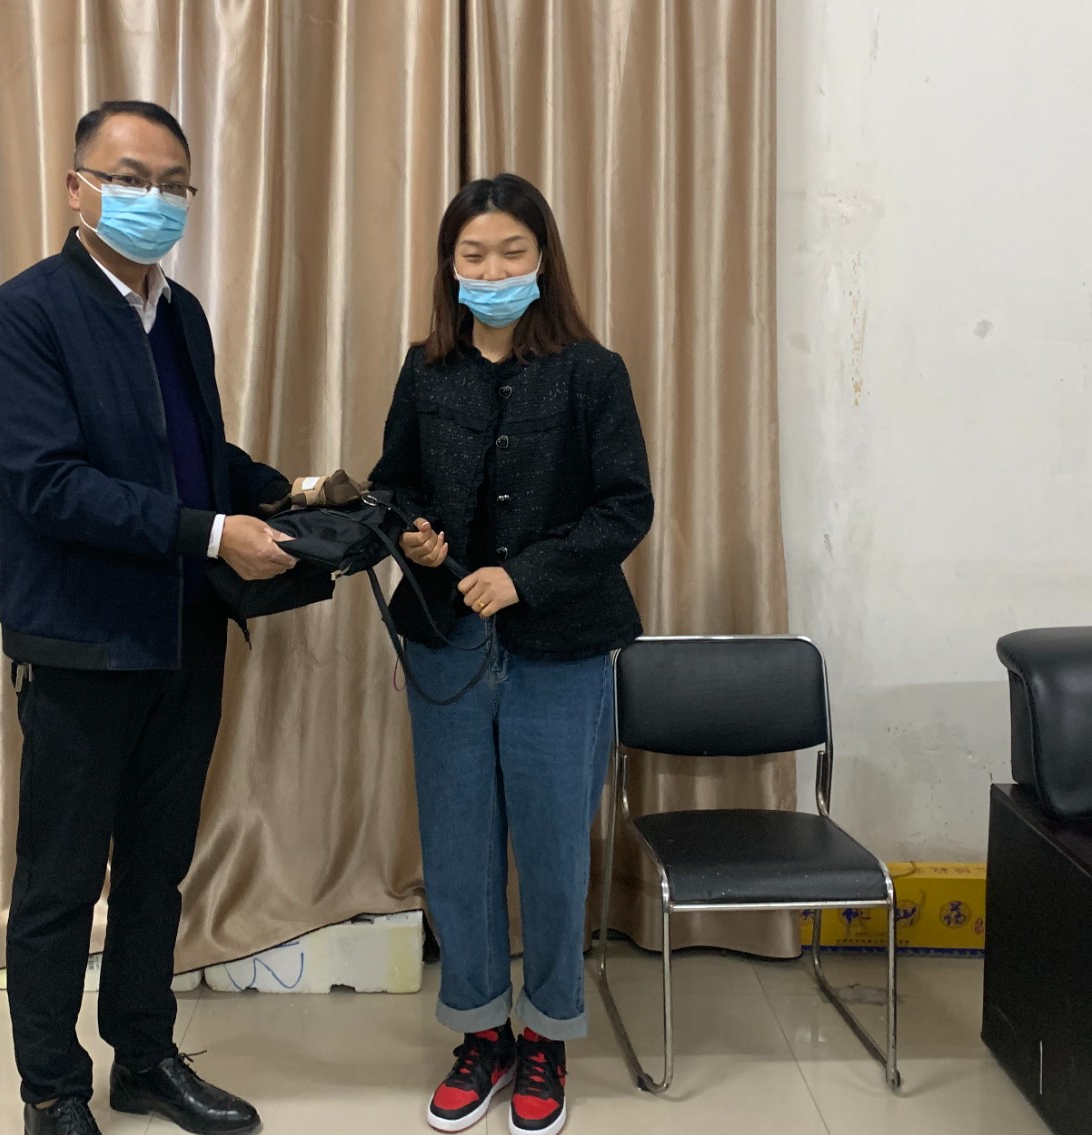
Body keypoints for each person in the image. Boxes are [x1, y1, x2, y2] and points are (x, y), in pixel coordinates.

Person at [0, 100, 296, 1135]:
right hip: (81, 643)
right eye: (129, 177)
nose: (153, 199)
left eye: (172, 183)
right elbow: (48, 484)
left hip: (185, 634)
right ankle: (52, 1089)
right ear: (77, 188)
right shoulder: (21, 318)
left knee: (158, 870)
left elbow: (186, 456)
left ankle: (144, 1057)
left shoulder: (180, 315)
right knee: (61, 882)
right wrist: (213, 532)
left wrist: (287, 491)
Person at [369, 173, 654, 1135]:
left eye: (511, 253)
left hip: (560, 646)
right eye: (473, 256)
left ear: (543, 259)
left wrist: (523, 576)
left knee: (553, 849)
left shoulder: (591, 371)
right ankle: (480, 1030)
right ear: (450, 267)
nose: (492, 272)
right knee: (458, 849)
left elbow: (625, 506)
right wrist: (415, 535)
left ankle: (548, 1035)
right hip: (446, 645)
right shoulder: (426, 369)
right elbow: (393, 483)